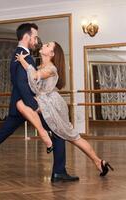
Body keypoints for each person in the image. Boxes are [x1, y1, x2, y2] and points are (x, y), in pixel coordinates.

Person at [0, 23, 79, 183]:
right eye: (35, 37)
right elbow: (21, 84)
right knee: (58, 131)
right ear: (27, 37)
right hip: (27, 106)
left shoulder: (20, 54)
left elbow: (26, 81)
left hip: (18, 106)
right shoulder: (23, 55)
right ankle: (59, 172)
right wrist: (35, 107)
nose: (37, 40)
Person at [15, 41, 114, 176]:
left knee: (73, 137)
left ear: (52, 53)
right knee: (67, 136)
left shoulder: (51, 69)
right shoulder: (40, 66)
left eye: (48, 45)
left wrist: (22, 61)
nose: (44, 44)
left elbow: (33, 76)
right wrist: (25, 63)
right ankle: (95, 162)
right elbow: (33, 81)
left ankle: (97, 161)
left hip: (52, 104)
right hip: (44, 101)